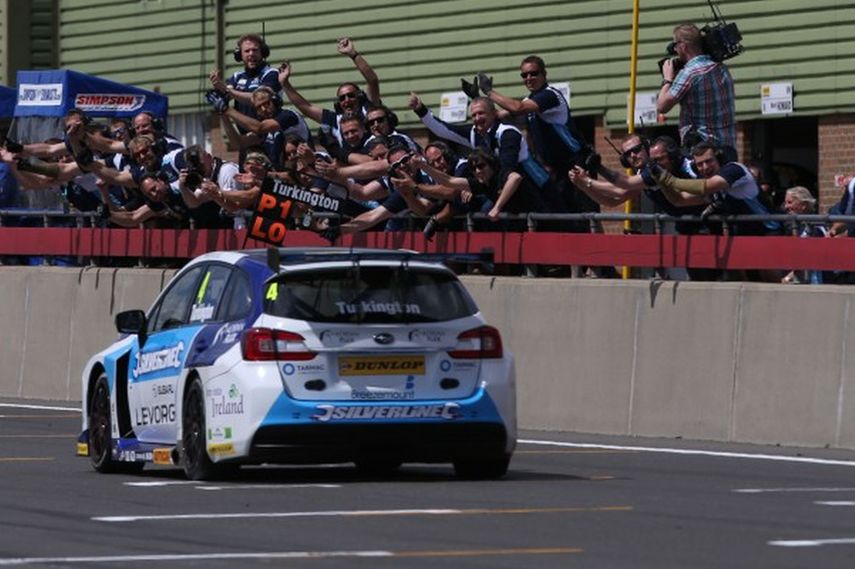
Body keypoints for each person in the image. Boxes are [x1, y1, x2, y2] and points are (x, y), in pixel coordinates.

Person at [568, 134, 706, 280]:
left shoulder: (657, 168)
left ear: (647, 148)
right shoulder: (644, 173)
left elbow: (622, 186)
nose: (633, 156)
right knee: (698, 277)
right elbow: (612, 201)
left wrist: (590, 178)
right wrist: (583, 186)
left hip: (706, 221)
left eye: (637, 150)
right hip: (688, 226)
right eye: (627, 154)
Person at [477, 55, 599, 216]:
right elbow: (499, 115)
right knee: (564, 216)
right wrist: (478, 101)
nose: (529, 78)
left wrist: (489, 92)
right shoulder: (530, 100)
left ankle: (597, 241)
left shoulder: (549, 96)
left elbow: (517, 108)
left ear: (544, 74)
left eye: (533, 73)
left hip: (576, 164)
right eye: (524, 75)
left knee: (588, 214)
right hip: (557, 169)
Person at [278, 37, 380, 144]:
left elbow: (372, 80)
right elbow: (306, 107)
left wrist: (353, 55)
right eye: (342, 98)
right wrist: (285, 84)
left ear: (359, 96)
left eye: (351, 95)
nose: (347, 100)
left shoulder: (369, 109)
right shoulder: (334, 120)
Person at [657, 23, 737, 154]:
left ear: (683, 46)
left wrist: (668, 79)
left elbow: (662, 107)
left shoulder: (689, 73)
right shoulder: (722, 68)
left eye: (675, 46)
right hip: (728, 148)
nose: (675, 51)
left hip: (703, 155)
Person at [208, 85, 311, 170]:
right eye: (258, 107)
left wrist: (227, 109)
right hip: (284, 177)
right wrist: (223, 114)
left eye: (266, 104)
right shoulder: (264, 127)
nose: (263, 109)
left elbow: (259, 127)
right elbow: (237, 143)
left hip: (305, 172)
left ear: (275, 101)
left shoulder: (288, 115)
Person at [209, 33, 280, 119]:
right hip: (244, 131)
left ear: (263, 52)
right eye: (247, 51)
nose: (251, 54)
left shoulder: (271, 73)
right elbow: (226, 95)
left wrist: (226, 90)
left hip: (268, 129)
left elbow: (259, 98)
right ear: (239, 55)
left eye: (255, 50)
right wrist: (218, 87)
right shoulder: (237, 76)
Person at [781, 186, 829, 284]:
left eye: (790, 202)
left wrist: (789, 276)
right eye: (785, 203)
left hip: (816, 279)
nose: (786, 207)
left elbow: (814, 256)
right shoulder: (792, 226)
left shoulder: (816, 226)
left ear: (803, 205)